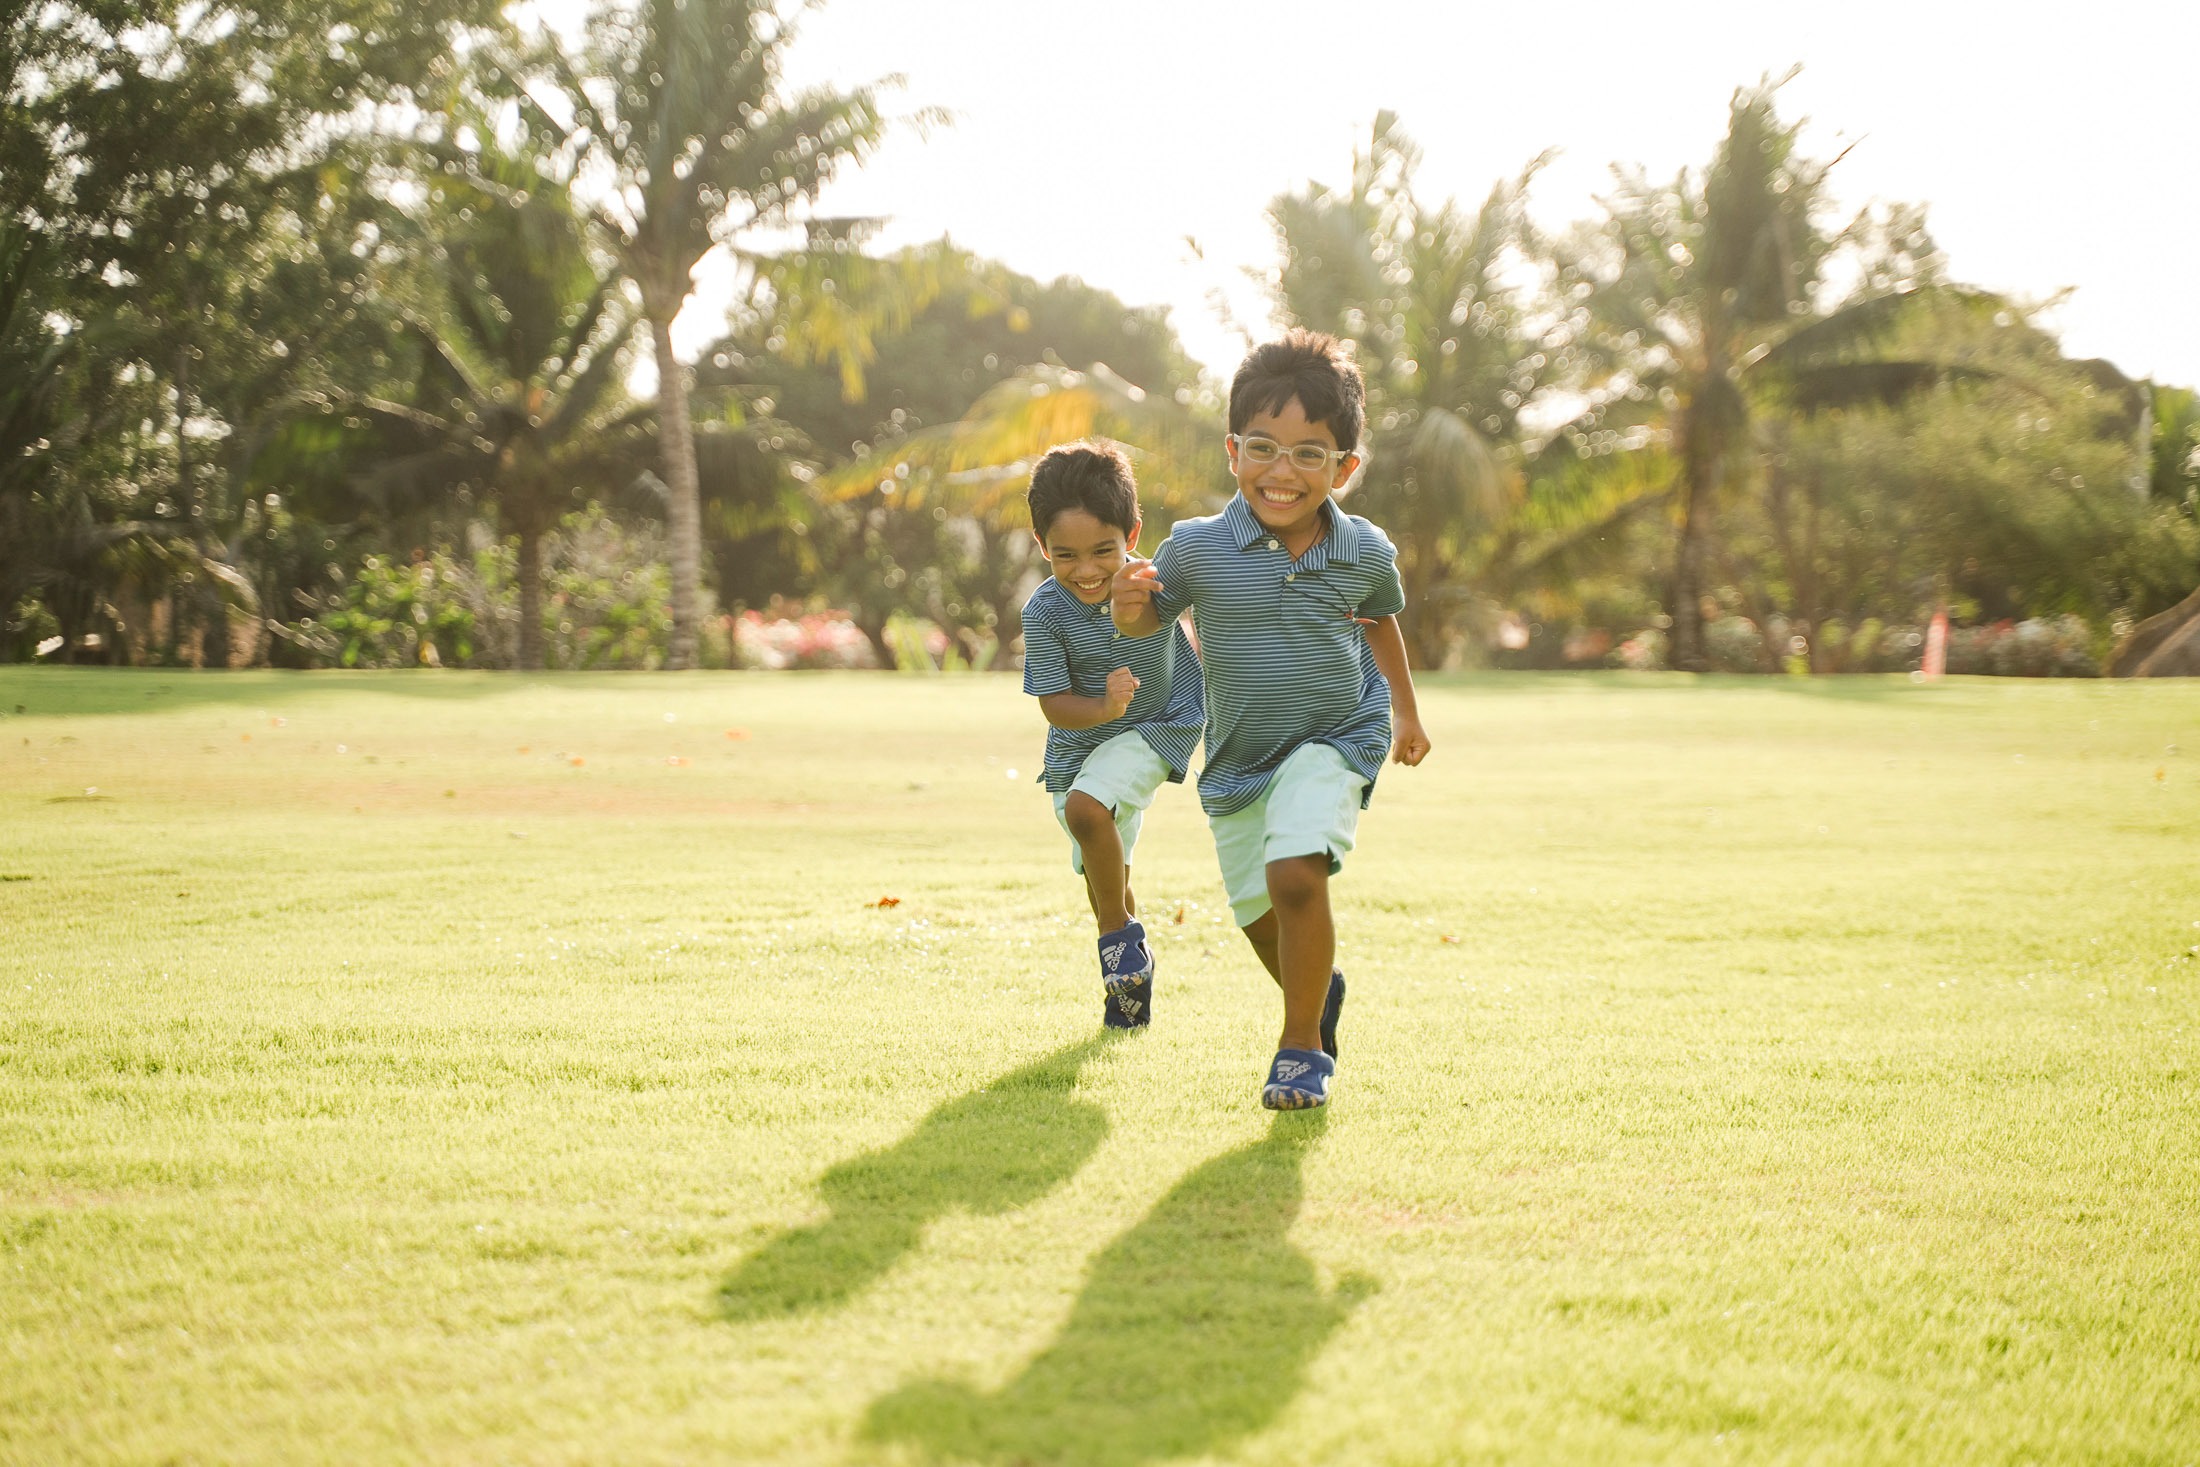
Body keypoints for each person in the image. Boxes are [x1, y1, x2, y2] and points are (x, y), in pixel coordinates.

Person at [1112, 331, 1429, 1109]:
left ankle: (1301, 1049)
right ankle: (1320, 992)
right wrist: (1129, 614)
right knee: (1260, 915)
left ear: (1344, 469)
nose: (1281, 472)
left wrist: (1407, 714)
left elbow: (1381, 621)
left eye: (1309, 455)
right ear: (1233, 450)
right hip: (1239, 758)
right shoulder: (1196, 547)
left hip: (1336, 735)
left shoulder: (1364, 552)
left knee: (1297, 874)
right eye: (1264, 448)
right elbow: (1150, 621)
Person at [1021, 441, 1204, 1028]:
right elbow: (1054, 705)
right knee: (1104, 875)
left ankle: (1114, 943)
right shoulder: (1044, 612)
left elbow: (1196, 634)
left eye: (1104, 550)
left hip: (1158, 725)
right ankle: (1130, 979)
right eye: (1065, 555)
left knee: (1086, 810)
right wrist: (1101, 707)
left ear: (1132, 531)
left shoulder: (1154, 584)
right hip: (1079, 744)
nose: (1087, 570)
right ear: (1041, 546)